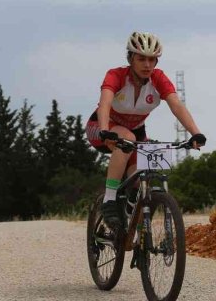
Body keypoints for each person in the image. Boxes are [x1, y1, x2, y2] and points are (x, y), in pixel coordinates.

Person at [86, 31, 206, 229]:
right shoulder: (116, 75)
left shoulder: (158, 79)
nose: (147, 65)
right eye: (141, 59)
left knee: (140, 177)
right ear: (131, 58)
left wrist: (195, 133)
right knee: (127, 136)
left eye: (152, 60)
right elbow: (105, 103)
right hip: (101, 127)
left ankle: (133, 227)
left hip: (136, 133)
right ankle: (109, 200)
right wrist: (105, 130)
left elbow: (176, 105)